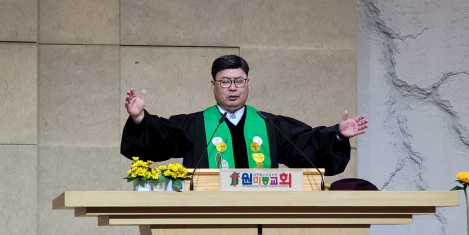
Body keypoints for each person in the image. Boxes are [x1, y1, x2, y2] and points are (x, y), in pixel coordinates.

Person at [121, 55, 368, 175]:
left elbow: (306, 145)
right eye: (225, 81)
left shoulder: (270, 124)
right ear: (213, 86)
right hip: (208, 216)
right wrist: (139, 119)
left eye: (239, 81)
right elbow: (161, 137)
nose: (233, 87)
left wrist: (337, 135)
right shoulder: (195, 125)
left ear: (248, 84)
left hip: (262, 214)